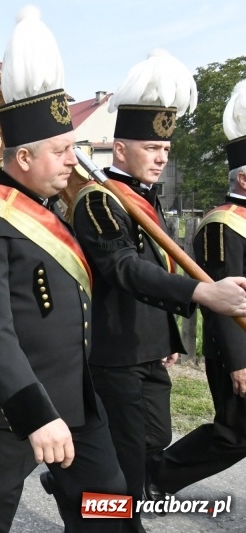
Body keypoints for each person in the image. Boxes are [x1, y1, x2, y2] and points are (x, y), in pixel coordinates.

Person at [0, 9, 125, 532]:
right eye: (62, 150)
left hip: (74, 394)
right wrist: (35, 414)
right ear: (23, 157)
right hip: (11, 405)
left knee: (108, 499)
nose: (74, 160)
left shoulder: (53, 210)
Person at [70, 51, 246, 532]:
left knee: (152, 442)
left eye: (165, 150)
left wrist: (169, 338)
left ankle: (79, 489)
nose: (161, 157)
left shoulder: (149, 199)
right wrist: (200, 294)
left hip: (150, 349)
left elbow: (158, 266)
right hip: (115, 349)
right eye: (151, 148)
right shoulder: (98, 200)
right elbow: (125, 269)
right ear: (119, 148)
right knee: (128, 457)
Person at [147, 80, 246, 498]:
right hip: (238, 349)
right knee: (232, 435)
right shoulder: (223, 224)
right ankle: (150, 478)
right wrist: (240, 363)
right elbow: (221, 301)